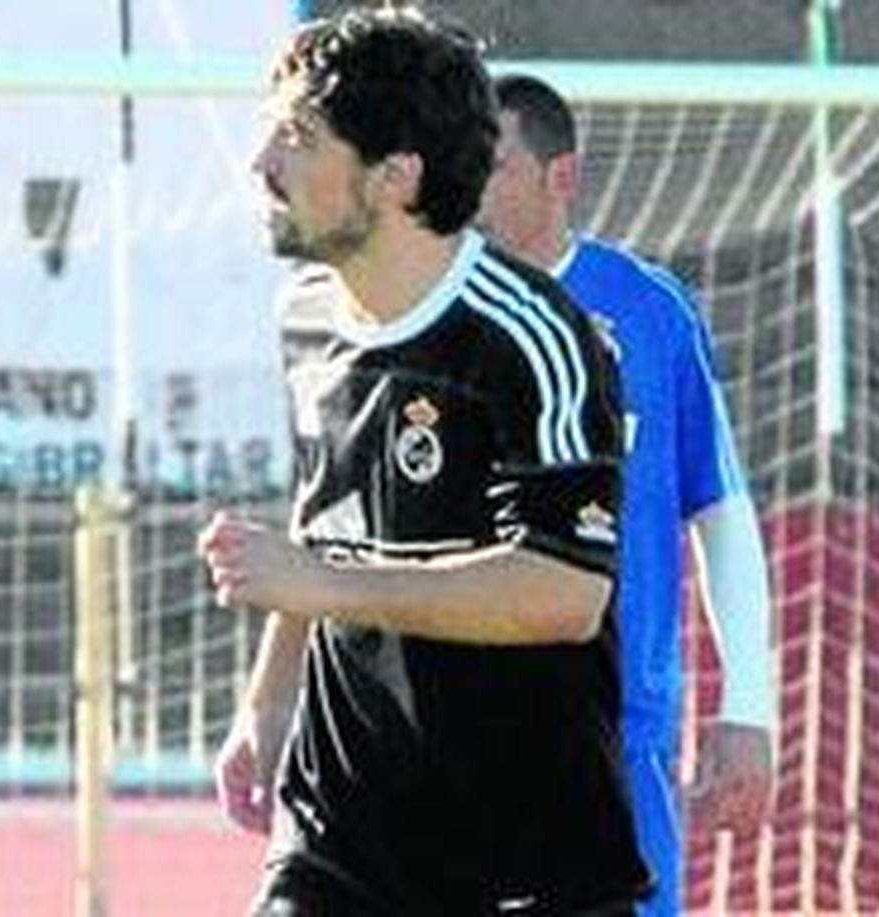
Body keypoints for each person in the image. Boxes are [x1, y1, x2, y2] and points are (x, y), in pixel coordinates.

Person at [200, 8, 650, 914]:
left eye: (298, 136)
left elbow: (564, 594)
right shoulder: (309, 315)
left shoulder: (532, 339)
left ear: (397, 174)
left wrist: (324, 589)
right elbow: (324, 520)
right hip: (341, 834)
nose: (262, 165)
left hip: (525, 853)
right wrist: (269, 698)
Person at [478, 74, 776, 917]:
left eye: (493, 165)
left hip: (619, 726)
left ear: (558, 176)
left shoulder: (648, 311)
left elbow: (719, 510)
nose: (471, 186)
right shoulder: (439, 308)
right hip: (462, 728)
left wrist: (747, 704)